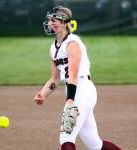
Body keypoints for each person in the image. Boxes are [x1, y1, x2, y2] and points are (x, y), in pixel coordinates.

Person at [35, 6, 122, 150]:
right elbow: (55, 79)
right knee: (95, 145)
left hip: (81, 90)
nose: (50, 23)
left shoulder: (72, 43)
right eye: (49, 20)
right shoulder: (53, 48)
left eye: (53, 19)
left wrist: (70, 100)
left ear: (64, 23)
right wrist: (43, 94)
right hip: (75, 91)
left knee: (66, 136)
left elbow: (73, 76)